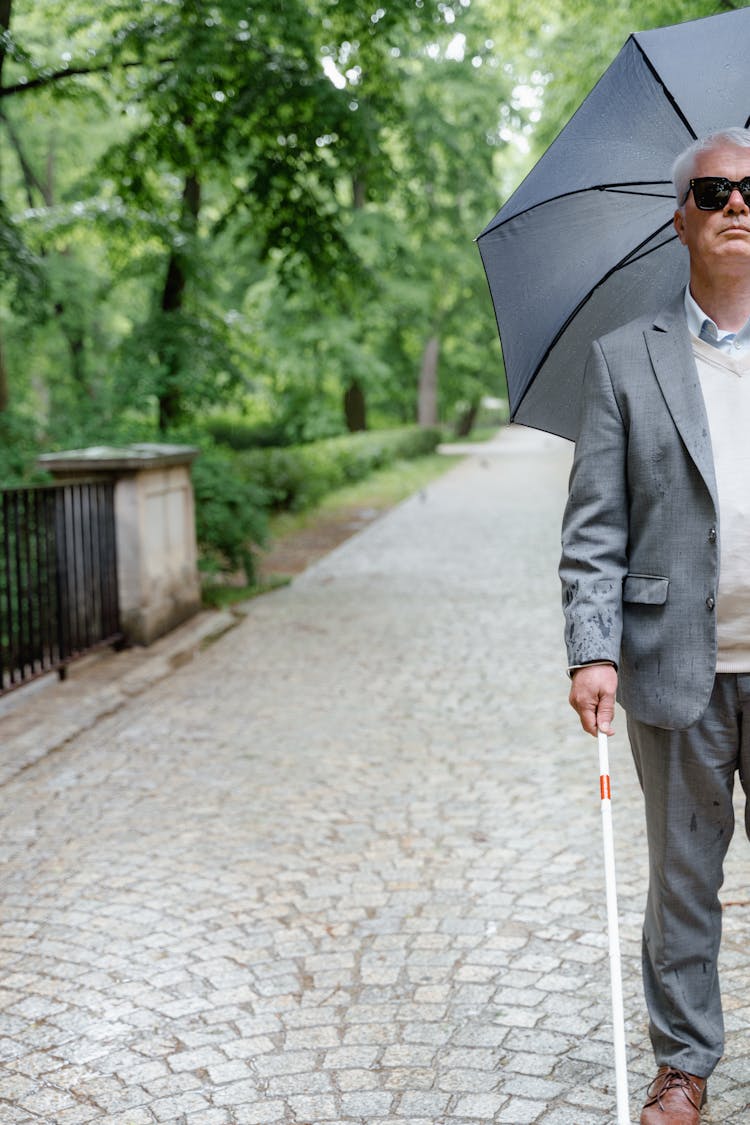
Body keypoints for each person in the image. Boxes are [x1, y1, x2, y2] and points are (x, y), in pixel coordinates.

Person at [560, 126, 750, 1125]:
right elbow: (594, 529)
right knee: (685, 883)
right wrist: (592, 647)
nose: (738, 207)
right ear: (683, 217)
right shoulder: (622, 360)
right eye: (714, 191)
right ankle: (683, 1068)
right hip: (675, 666)